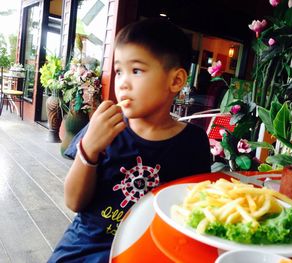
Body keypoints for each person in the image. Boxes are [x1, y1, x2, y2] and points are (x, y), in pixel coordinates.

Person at [48, 18, 211, 262]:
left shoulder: (192, 142)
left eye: (136, 70)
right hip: (86, 248)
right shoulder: (104, 126)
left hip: (150, 251)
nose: (122, 82)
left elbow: (195, 211)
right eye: (118, 71)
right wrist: (89, 149)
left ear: (176, 80)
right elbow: (73, 201)